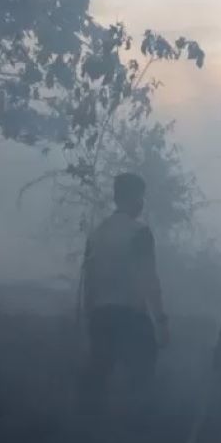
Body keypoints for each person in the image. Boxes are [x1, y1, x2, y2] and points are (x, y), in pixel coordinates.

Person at [79, 172, 168, 413]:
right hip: (130, 314)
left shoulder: (97, 232)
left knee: (100, 372)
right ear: (134, 198)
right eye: (140, 197)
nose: (142, 203)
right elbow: (149, 277)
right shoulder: (139, 232)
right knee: (142, 371)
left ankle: (90, 429)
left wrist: (88, 314)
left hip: (100, 313)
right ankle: (132, 426)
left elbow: (89, 278)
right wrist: (160, 319)